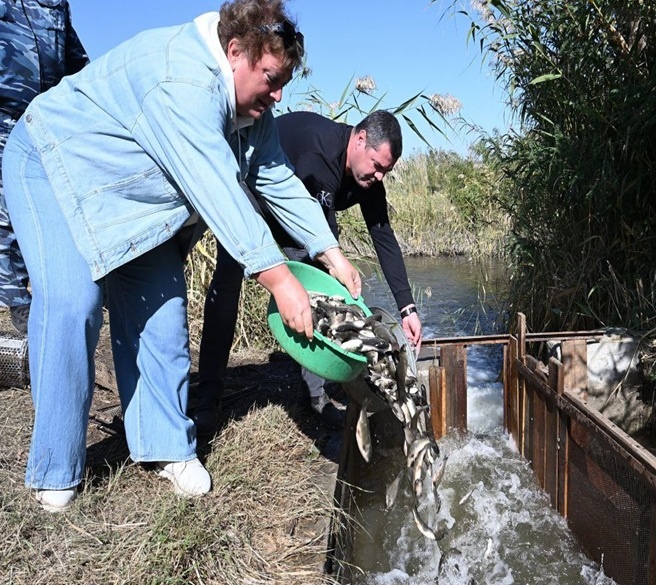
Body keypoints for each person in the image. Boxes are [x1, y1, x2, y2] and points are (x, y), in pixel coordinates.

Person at [0, 0, 361, 513]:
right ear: (235, 51)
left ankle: (165, 446)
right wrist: (282, 281)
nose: (278, 95)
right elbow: (219, 188)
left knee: (164, 317)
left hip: (128, 200)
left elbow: (275, 175)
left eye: (284, 83)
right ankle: (55, 468)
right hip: (52, 162)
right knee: (71, 303)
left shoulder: (251, 109)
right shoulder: (182, 80)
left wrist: (331, 253)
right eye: (271, 78)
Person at [194, 110, 422, 434]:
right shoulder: (321, 158)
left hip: (294, 201)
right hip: (249, 189)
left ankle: (317, 390)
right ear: (359, 140)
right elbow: (316, 245)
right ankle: (209, 399)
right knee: (230, 280)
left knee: (323, 285)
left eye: (387, 170)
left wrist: (407, 308)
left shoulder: (369, 178)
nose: (380, 176)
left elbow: (383, 237)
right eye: (377, 165)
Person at [0, 0, 89, 334]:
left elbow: (75, 59)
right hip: (3, 115)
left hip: (46, 119)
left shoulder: (54, 3)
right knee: (4, 214)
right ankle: (20, 304)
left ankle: (57, 295)